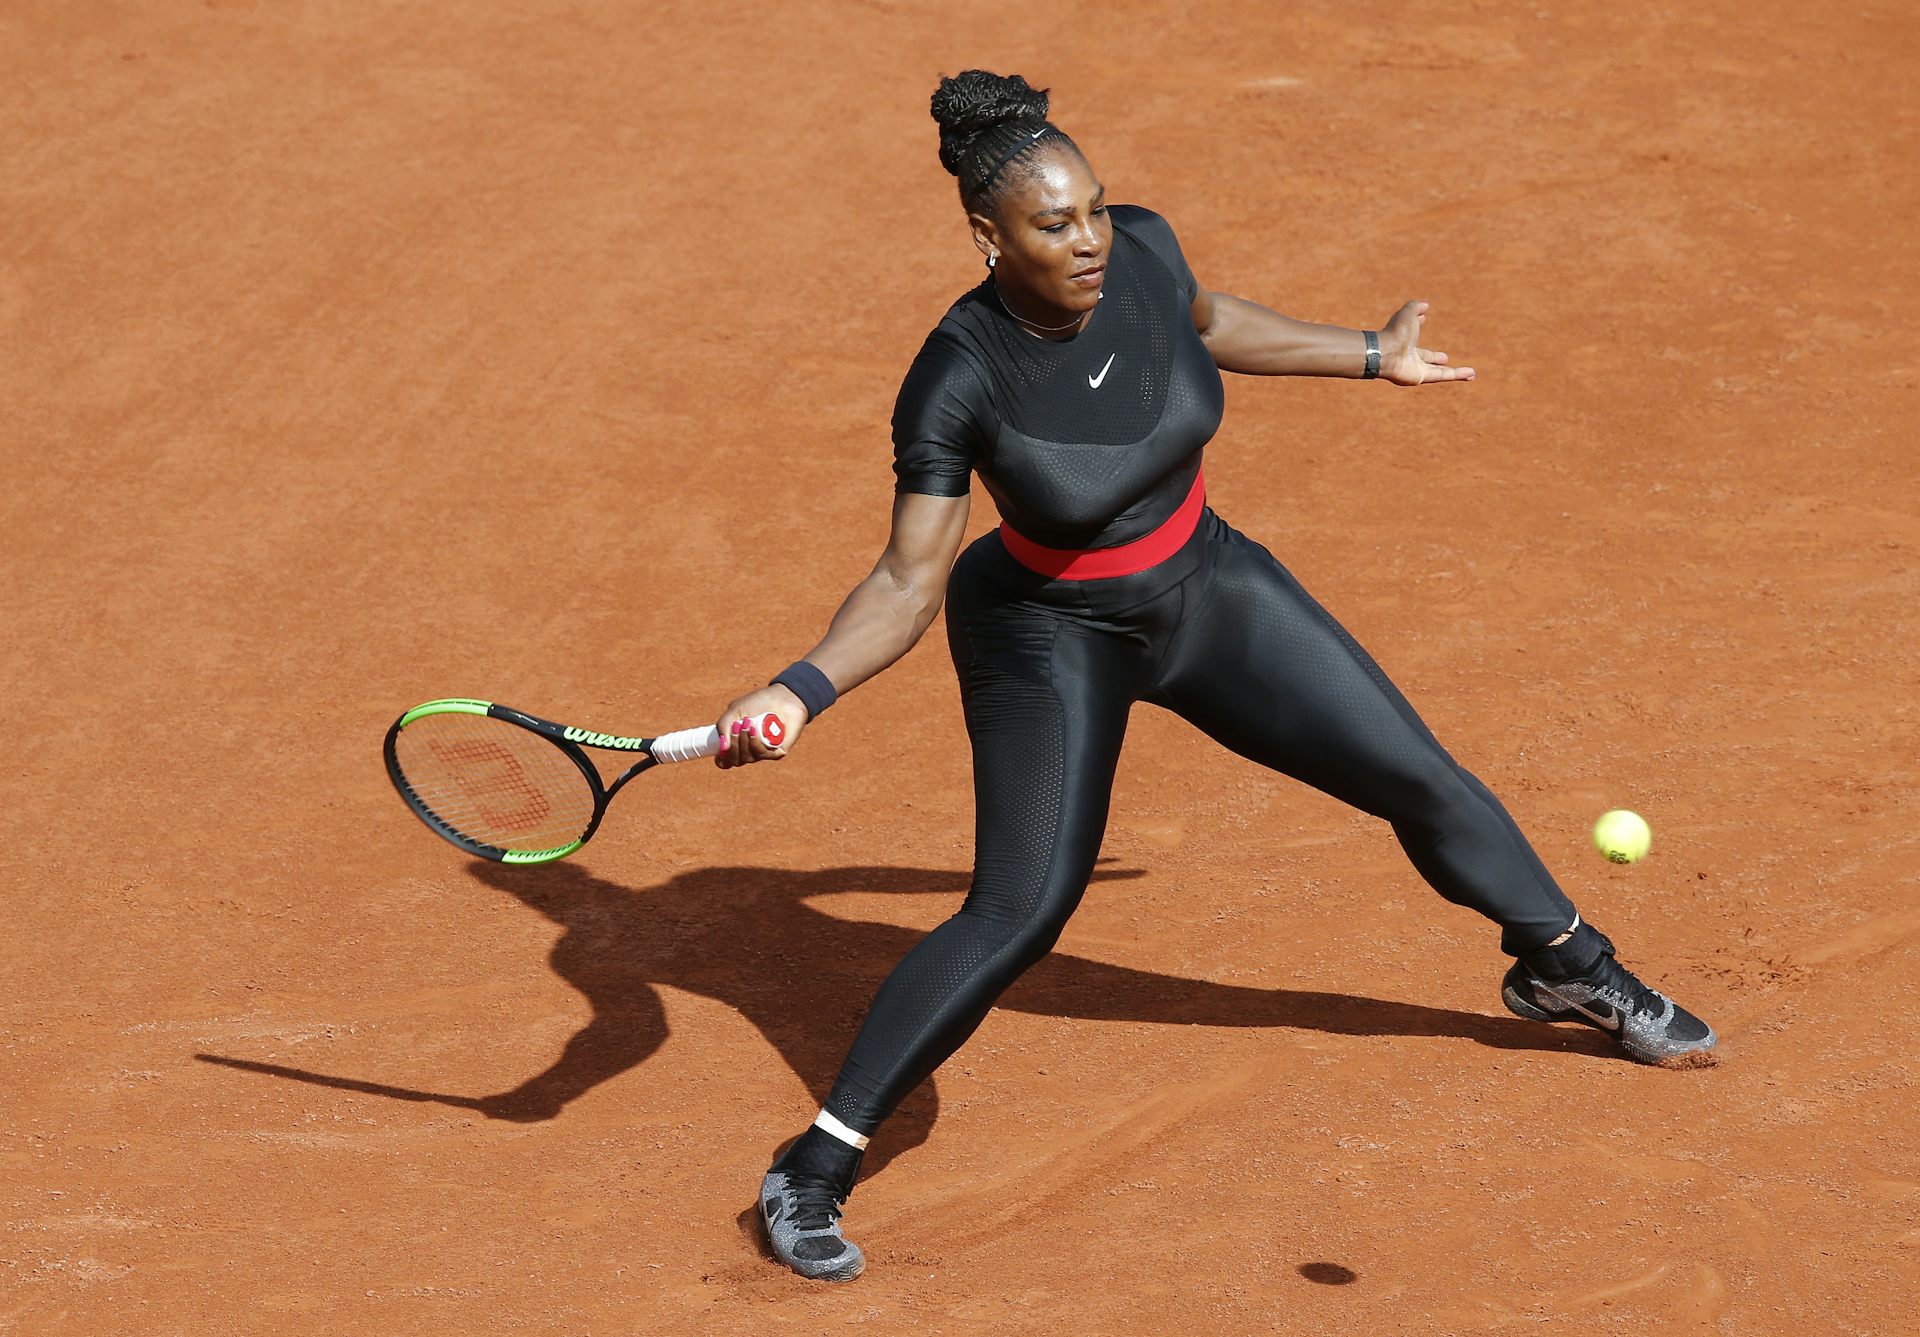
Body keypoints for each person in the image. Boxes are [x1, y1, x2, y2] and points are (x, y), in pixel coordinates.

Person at [711, 70, 1717, 1283]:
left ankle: (1567, 966)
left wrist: (1366, 353)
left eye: (1092, 208)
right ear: (988, 234)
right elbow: (906, 582)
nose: (1089, 239)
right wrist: (797, 689)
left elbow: (1208, 321)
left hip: (1207, 585)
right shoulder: (958, 374)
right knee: (1023, 906)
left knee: (1419, 775)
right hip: (1048, 630)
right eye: (1053, 223)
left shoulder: (1136, 252)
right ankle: (808, 1169)